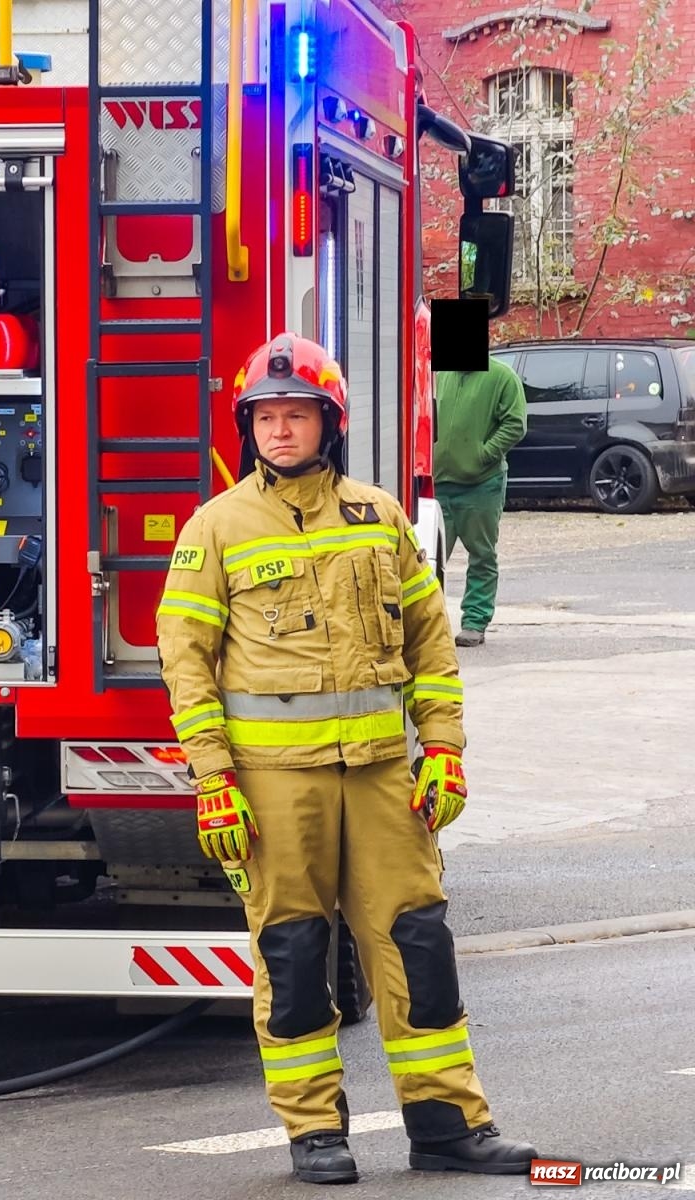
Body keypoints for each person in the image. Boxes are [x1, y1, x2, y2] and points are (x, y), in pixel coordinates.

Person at [155, 333, 536, 1184]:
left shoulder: (380, 515)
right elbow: (186, 663)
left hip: (381, 777)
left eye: (296, 415)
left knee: (418, 944)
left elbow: (431, 644)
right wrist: (213, 777)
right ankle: (314, 1132)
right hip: (274, 785)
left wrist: (442, 748)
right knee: (294, 955)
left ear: (328, 423)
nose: (280, 431)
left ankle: (446, 1126)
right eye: (266, 416)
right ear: (247, 425)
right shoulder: (214, 528)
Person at [432, 357, 527, 647]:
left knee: (482, 554)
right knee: (427, 561)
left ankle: (475, 621)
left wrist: (484, 454)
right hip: (437, 483)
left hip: (481, 485)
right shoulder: (440, 372)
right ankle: (428, 625)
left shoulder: (502, 377)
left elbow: (515, 424)